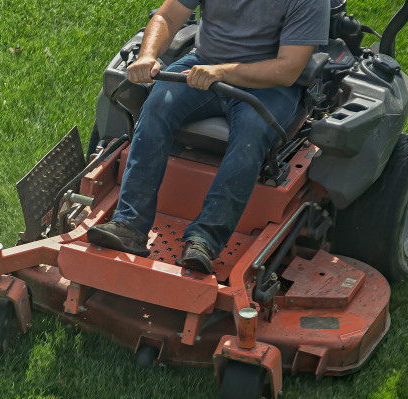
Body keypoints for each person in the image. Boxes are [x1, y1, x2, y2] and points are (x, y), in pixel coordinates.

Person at [87, 0, 330, 273]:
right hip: (203, 65)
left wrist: (221, 72)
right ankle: (129, 225)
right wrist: (148, 54)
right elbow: (167, 17)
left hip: (268, 85)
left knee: (251, 136)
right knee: (156, 106)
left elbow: (287, 69)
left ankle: (204, 240)